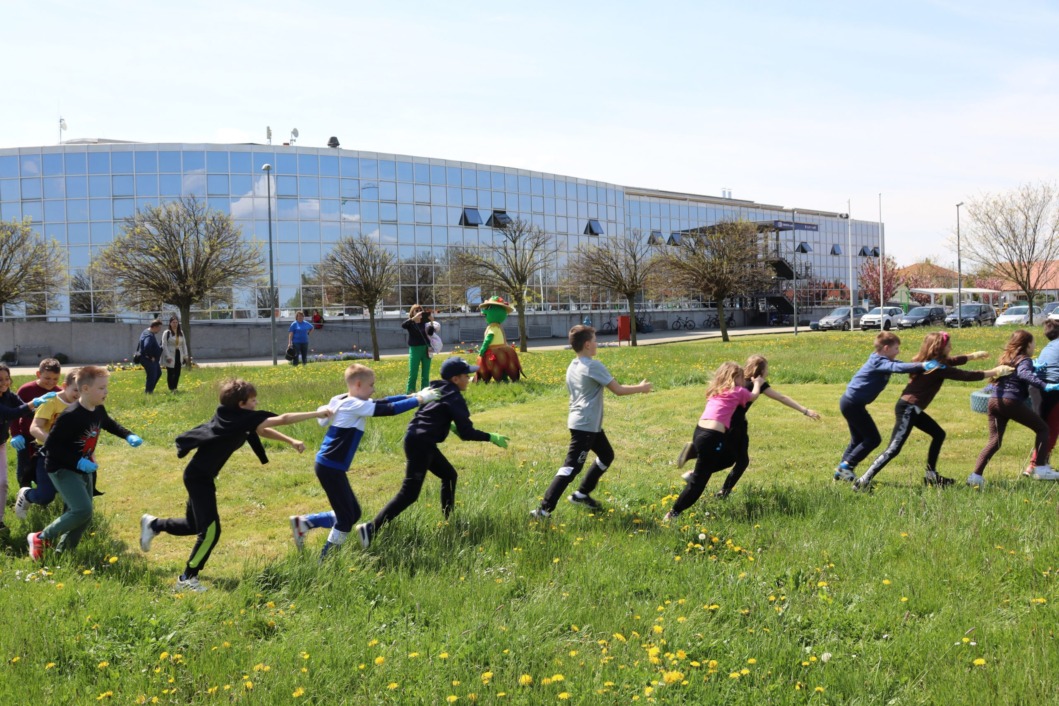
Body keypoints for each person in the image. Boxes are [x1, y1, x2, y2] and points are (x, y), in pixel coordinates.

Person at [138, 378, 330, 591]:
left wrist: (290, 441)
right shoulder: (240, 419)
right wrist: (316, 414)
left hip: (199, 476)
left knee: (194, 526)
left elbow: (262, 430)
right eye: (253, 400)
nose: (256, 403)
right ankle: (187, 578)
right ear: (241, 404)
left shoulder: (233, 416)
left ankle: (154, 525)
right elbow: (283, 418)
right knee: (211, 532)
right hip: (198, 478)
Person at [288, 364, 439, 559]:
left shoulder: (344, 399)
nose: (374, 389)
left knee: (354, 513)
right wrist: (421, 399)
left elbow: (383, 401)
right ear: (358, 384)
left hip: (330, 466)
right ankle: (325, 561)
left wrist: (413, 395)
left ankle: (305, 523)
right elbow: (390, 410)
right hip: (329, 467)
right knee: (345, 519)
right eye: (371, 385)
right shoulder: (355, 405)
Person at [356, 357, 508, 548]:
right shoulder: (454, 397)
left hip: (417, 439)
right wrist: (490, 437)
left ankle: (449, 520)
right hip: (422, 444)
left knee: (449, 475)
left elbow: (434, 413)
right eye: (466, 375)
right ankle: (370, 528)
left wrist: (449, 425)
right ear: (455, 379)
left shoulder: (436, 390)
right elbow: (466, 433)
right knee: (410, 493)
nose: (469, 379)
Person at [852, 332, 1012, 492]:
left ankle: (931, 475)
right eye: (949, 344)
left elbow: (951, 361)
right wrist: (995, 371)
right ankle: (862, 481)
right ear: (940, 347)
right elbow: (965, 375)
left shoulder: (930, 362)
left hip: (912, 408)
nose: (951, 347)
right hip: (908, 409)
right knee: (894, 448)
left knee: (938, 434)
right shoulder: (936, 367)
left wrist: (972, 356)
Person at [531, 325, 652, 519]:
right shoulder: (593, 366)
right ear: (587, 345)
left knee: (606, 455)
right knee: (571, 467)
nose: (597, 344)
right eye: (595, 340)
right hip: (585, 425)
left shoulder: (573, 364)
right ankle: (543, 510)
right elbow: (618, 390)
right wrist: (641, 388)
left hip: (585, 423)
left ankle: (581, 494)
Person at [27, 366, 143, 561]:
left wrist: (128, 435)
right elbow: (52, 446)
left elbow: (108, 423)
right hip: (62, 468)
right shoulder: (70, 416)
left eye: (106, 387)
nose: (106, 392)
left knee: (85, 515)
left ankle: (63, 553)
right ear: (86, 389)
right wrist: (78, 461)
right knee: (82, 510)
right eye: (101, 388)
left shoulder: (97, 408)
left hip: (83, 467)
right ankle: (40, 537)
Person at [676, 355, 821, 499]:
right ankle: (708, 482)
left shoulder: (737, 380)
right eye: (767, 368)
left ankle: (698, 464)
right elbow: (781, 398)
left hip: (722, 423)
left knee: (730, 457)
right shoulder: (757, 383)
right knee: (737, 460)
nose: (768, 371)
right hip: (734, 426)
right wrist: (805, 411)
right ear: (761, 370)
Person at [664, 361, 762, 520]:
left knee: (730, 458)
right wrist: (757, 383)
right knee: (699, 483)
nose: (744, 381)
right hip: (712, 436)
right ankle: (673, 514)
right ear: (735, 377)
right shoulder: (738, 391)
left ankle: (693, 452)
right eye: (742, 378)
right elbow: (754, 396)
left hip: (699, 431)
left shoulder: (715, 391)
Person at [834, 331, 935, 482]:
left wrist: (920, 365)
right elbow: (897, 368)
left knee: (857, 440)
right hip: (852, 404)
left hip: (851, 403)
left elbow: (899, 365)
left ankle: (843, 471)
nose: (898, 351)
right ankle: (846, 467)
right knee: (873, 439)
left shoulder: (882, 360)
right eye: (896, 348)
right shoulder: (879, 362)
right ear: (886, 348)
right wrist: (923, 365)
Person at [969, 329, 1059, 487]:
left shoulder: (1007, 358)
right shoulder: (1025, 360)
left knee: (994, 441)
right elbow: (1024, 374)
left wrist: (1034, 369)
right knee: (1043, 429)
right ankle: (1040, 468)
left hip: (994, 401)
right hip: (1010, 402)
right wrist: (1045, 385)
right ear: (1027, 345)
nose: (1034, 348)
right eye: (1033, 344)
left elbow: (1016, 373)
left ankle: (975, 477)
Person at [16, 369, 81, 518]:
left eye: (85, 390)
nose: (79, 395)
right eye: (76, 390)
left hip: (71, 457)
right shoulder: (51, 402)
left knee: (73, 496)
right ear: (65, 386)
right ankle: (26, 494)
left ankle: (68, 525)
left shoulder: (85, 405)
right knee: (45, 496)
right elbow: (34, 428)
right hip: (47, 455)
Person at [0, 364, 57, 531]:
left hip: (0, 445)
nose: (4, 383)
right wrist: (34, 402)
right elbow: (10, 413)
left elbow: (27, 413)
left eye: (6, 379)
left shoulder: (9, 396)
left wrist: (48, 418)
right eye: (0, 380)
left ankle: (0, 521)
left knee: (2, 483)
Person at [10, 358, 62, 489]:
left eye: (55, 379)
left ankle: (42, 494)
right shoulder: (26, 390)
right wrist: (16, 434)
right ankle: (23, 493)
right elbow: (15, 413)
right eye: (47, 378)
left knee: (43, 468)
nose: (51, 382)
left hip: (45, 439)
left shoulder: (59, 392)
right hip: (26, 438)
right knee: (24, 468)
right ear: (38, 374)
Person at [1027, 319, 1059, 474]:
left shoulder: (1049, 346)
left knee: (1045, 429)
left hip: (1038, 389)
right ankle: (1036, 465)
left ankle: (1036, 463)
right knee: (1051, 429)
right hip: (1054, 390)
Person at [402, 304, 434, 393]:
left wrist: (431, 322)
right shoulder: (410, 323)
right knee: (413, 373)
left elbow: (430, 333)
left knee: (425, 374)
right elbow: (403, 325)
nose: (419, 312)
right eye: (416, 310)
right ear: (412, 312)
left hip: (426, 349)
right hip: (415, 349)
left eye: (420, 310)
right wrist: (413, 319)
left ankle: (425, 392)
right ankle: (410, 392)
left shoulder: (424, 323)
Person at [161, 316, 190, 392]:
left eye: (176, 322)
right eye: (173, 322)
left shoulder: (181, 332)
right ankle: (171, 388)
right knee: (171, 372)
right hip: (170, 354)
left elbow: (184, 344)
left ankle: (175, 387)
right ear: (170, 323)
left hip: (178, 353)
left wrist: (185, 355)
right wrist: (168, 356)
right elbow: (164, 345)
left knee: (177, 372)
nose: (175, 324)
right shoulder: (167, 332)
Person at [139, 320, 164, 393]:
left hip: (151, 359)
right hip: (148, 359)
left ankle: (150, 390)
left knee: (158, 373)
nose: (160, 329)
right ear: (155, 327)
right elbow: (146, 346)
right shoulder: (149, 335)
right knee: (152, 376)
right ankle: (148, 392)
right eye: (159, 328)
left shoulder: (147, 332)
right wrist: (150, 357)